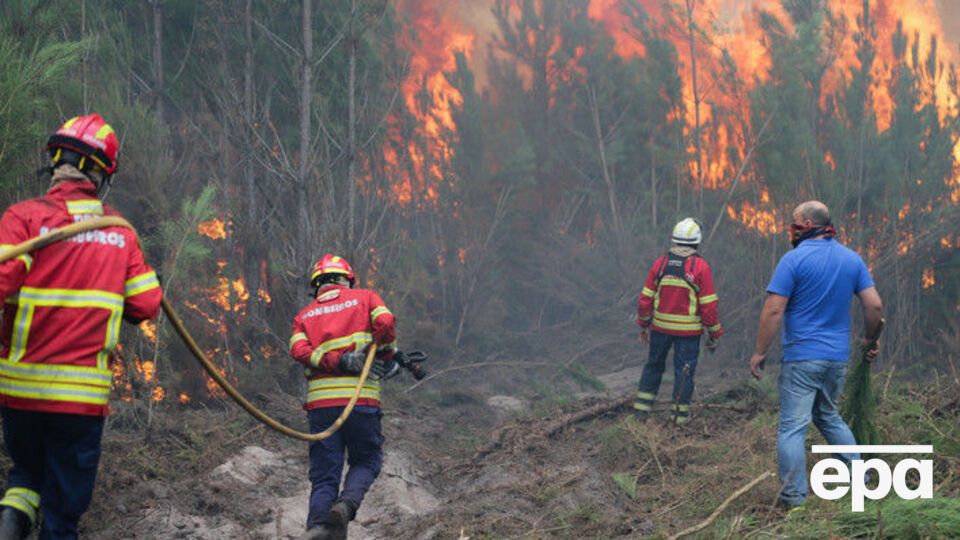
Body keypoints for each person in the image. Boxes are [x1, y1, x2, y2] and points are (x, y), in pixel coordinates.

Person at [0, 114, 163, 539]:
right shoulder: (119, 232)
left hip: (20, 393)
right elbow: (147, 304)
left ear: (56, 161)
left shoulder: (23, 218)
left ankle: (11, 521)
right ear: (100, 174)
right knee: (62, 511)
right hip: (78, 403)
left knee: (25, 475)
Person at [749, 200, 884, 511]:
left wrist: (759, 351)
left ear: (808, 225)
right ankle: (861, 483)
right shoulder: (852, 259)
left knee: (792, 427)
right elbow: (875, 305)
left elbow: (774, 309)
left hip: (802, 357)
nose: (791, 229)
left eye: (794, 222)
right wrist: (870, 339)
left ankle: (794, 500)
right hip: (836, 359)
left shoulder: (793, 260)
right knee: (828, 416)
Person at [288, 254, 400, 540]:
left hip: (321, 407)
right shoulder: (366, 298)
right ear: (347, 279)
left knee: (325, 475)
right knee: (367, 460)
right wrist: (385, 354)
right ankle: (346, 505)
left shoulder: (304, 316)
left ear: (317, 285)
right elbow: (385, 322)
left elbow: (299, 351)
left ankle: (317, 530)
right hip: (360, 403)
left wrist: (337, 360)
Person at [635, 218, 724, 424]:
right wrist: (714, 333)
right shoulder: (700, 267)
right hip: (688, 334)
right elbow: (708, 306)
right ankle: (678, 420)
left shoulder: (660, 264)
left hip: (660, 330)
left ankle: (640, 413)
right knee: (684, 373)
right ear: (697, 242)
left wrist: (644, 325)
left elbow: (645, 299)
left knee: (653, 367)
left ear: (674, 239)